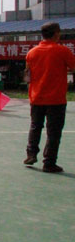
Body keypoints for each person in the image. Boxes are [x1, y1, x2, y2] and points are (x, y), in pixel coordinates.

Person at [24, 22, 75, 173]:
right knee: (54, 132)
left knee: (35, 126)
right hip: (56, 98)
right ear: (56, 33)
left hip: (36, 96)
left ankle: (31, 153)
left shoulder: (32, 53)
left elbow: (27, 74)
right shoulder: (62, 51)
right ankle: (49, 162)